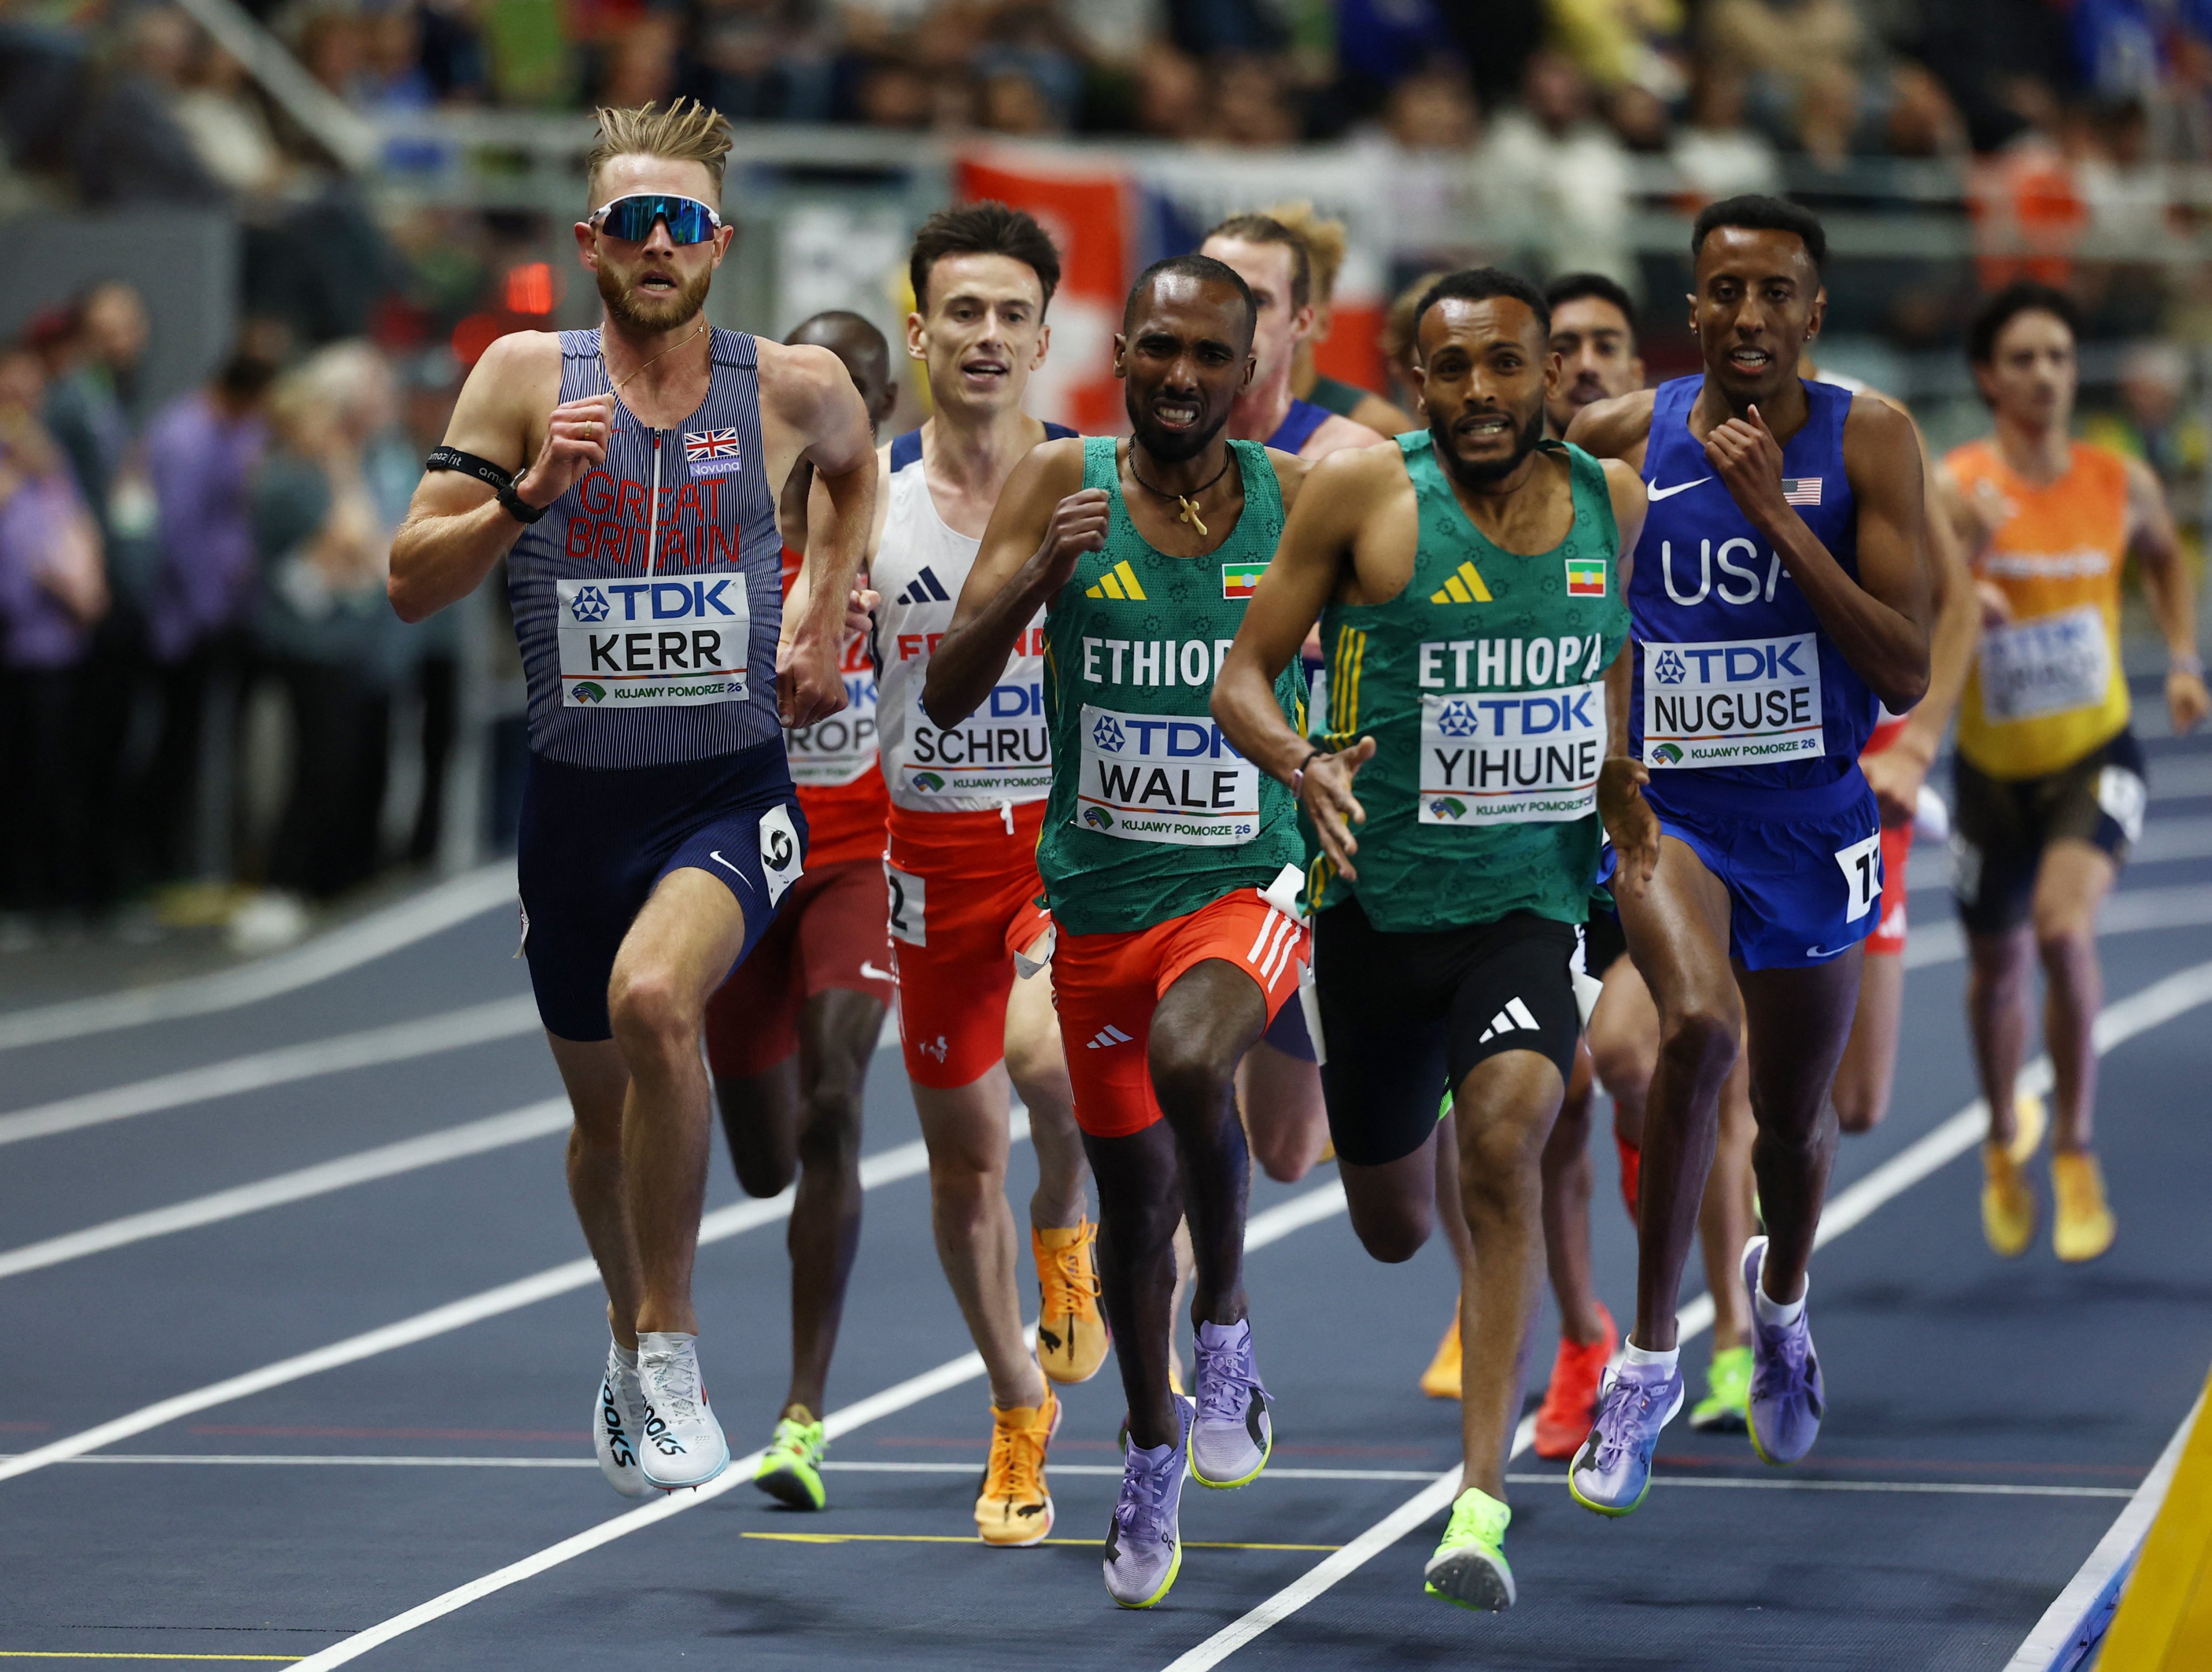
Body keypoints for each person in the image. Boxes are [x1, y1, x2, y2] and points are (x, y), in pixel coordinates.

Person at [387, 99, 877, 1495]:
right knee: (603, 1130)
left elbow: (852, 471)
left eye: (683, 222)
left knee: (664, 1005)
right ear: (590, 242)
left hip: (727, 789)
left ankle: (670, 1341)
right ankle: (622, 1323)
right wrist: (527, 495)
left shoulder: (787, 384)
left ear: (719, 242)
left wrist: (819, 608)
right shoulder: (521, 376)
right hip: (577, 810)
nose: (657, 244)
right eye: (632, 223)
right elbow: (410, 579)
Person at [1215, 267, 1645, 1609]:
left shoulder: (1605, 506)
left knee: (1510, 1138)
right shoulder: (1362, 495)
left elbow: (1612, 657)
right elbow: (1241, 676)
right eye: (1452, 370)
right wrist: (1299, 761)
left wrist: (1624, 772)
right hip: (1379, 912)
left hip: (1529, 905)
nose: (1480, 393)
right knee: (1397, 1222)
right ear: (1416, 381)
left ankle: (1479, 1501)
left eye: (1505, 366)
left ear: (1545, 378)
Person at [927, 254, 1309, 1609]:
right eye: (1159, 350)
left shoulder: (1296, 497)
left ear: (1251, 372)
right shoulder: (1056, 480)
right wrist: (1038, 577)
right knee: (1135, 1200)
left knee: (1201, 1063)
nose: (1183, 377)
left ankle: (1228, 1326)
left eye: (1212, 355)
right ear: (1123, 358)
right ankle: (1149, 1444)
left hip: (1246, 882)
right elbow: (948, 697)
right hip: (1098, 898)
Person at [1565, 194, 1933, 1511]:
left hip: (1818, 820)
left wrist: (1778, 517)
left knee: (1795, 1124)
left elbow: (1903, 667)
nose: (1749, 316)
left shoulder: (1873, 441)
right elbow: (1471, 484)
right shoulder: (1627, 437)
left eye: (1775, 292)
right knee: (1695, 1034)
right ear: (1695, 307)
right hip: (1678, 820)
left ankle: (1781, 1301)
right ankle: (1653, 1359)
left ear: (1812, 313)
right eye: (1724, 291)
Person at [864, 202, 1104, 1547]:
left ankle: (1069, 1219)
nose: (990, 337)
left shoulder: (1095, 492)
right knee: (962, 1166)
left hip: (1064, 845)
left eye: (1015, 315)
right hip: (932, 854)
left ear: (1045, 335)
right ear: (921, 331)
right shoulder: (876, 501)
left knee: (1053, 1068)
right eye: (965, 312)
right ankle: (1017, 1405)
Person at [1942, 281, 2206, 1260]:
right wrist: (1965, 588)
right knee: (1994, 971)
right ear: (1986, 377)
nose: (2046, 376)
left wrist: (2181, 657)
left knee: (2061, 931)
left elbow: (2165, 558)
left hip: (2095, 753)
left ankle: (2077, 1148)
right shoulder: (1956, 483)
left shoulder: (2118, 478)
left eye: (2058, 356)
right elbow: (1915, 585)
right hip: (1988, 771)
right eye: (2023, 360)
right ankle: (2005, 1137)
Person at [697, 310, 900, 1512]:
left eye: (860, 387)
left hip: (856, 859)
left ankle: (801, 1412)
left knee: (835, 1103)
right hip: (735, 858)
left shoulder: (906, 527)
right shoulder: (715, 523)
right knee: (766, 1161)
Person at [1201, 214, 1391, 462]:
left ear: (1303, 321)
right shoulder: (1154, 443)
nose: (1234, 319)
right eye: (1216, 296)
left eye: (1259, 301)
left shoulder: (1355, 451)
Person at [1259, 199, 1417, 437]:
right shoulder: (1200, 415)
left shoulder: (1376, 427)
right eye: (1256, 298)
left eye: (1295, 295)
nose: (1273, 315)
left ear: (1322, 321)